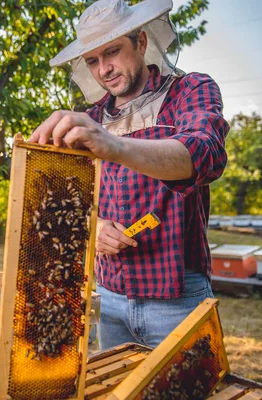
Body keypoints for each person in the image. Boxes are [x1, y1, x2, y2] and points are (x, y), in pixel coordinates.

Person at [28, 0, 229, 349]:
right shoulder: (89, 118)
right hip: (109, 299)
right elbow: (70, 207)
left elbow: (203, 154)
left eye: (113, 51)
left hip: (177, 300)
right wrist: (97, 227)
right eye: (93, 60)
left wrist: (113, 146)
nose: (104, 69)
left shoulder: (190, 90)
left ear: (140, 42)